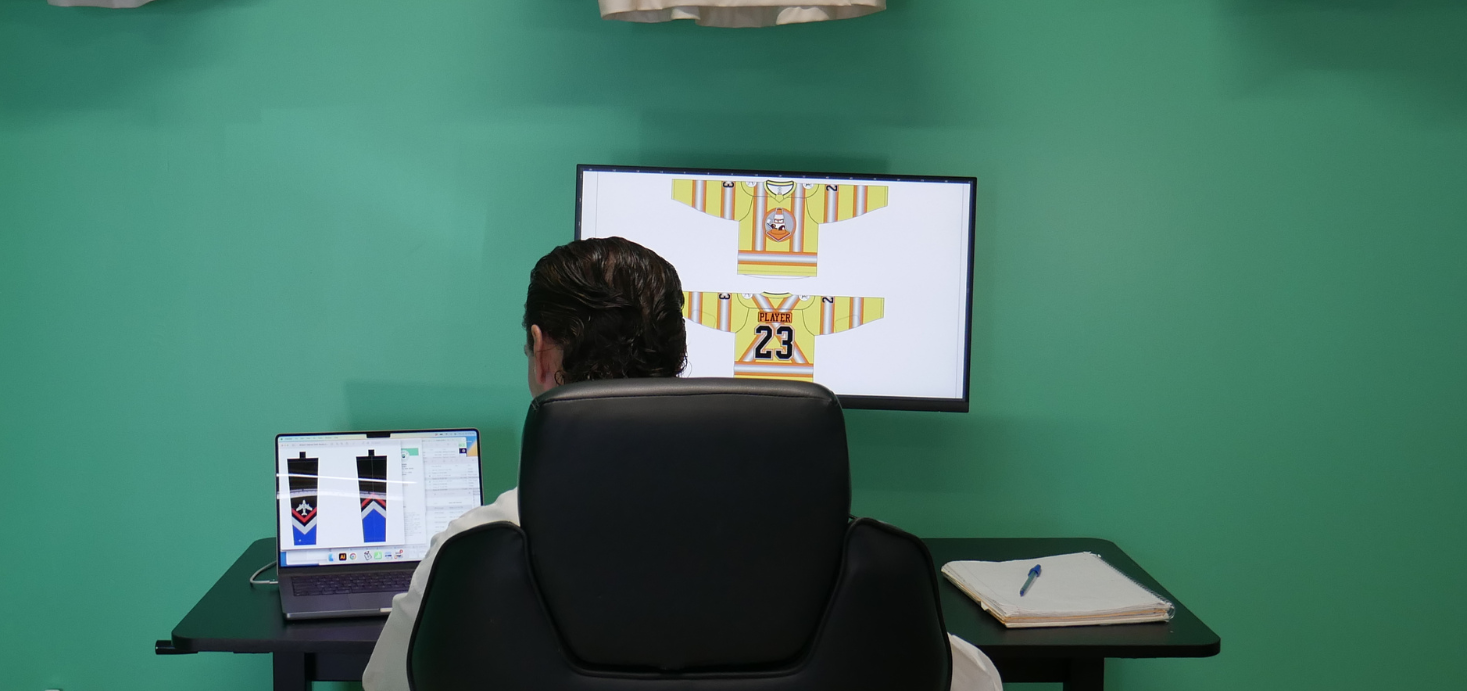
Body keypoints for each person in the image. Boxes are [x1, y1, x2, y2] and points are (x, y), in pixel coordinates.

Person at [362, 237, 1001, 691]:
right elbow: (965, 679)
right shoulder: (821, 552)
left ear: (540, 352)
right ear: (678, 355)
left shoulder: (476, 551)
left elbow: (390, 679)